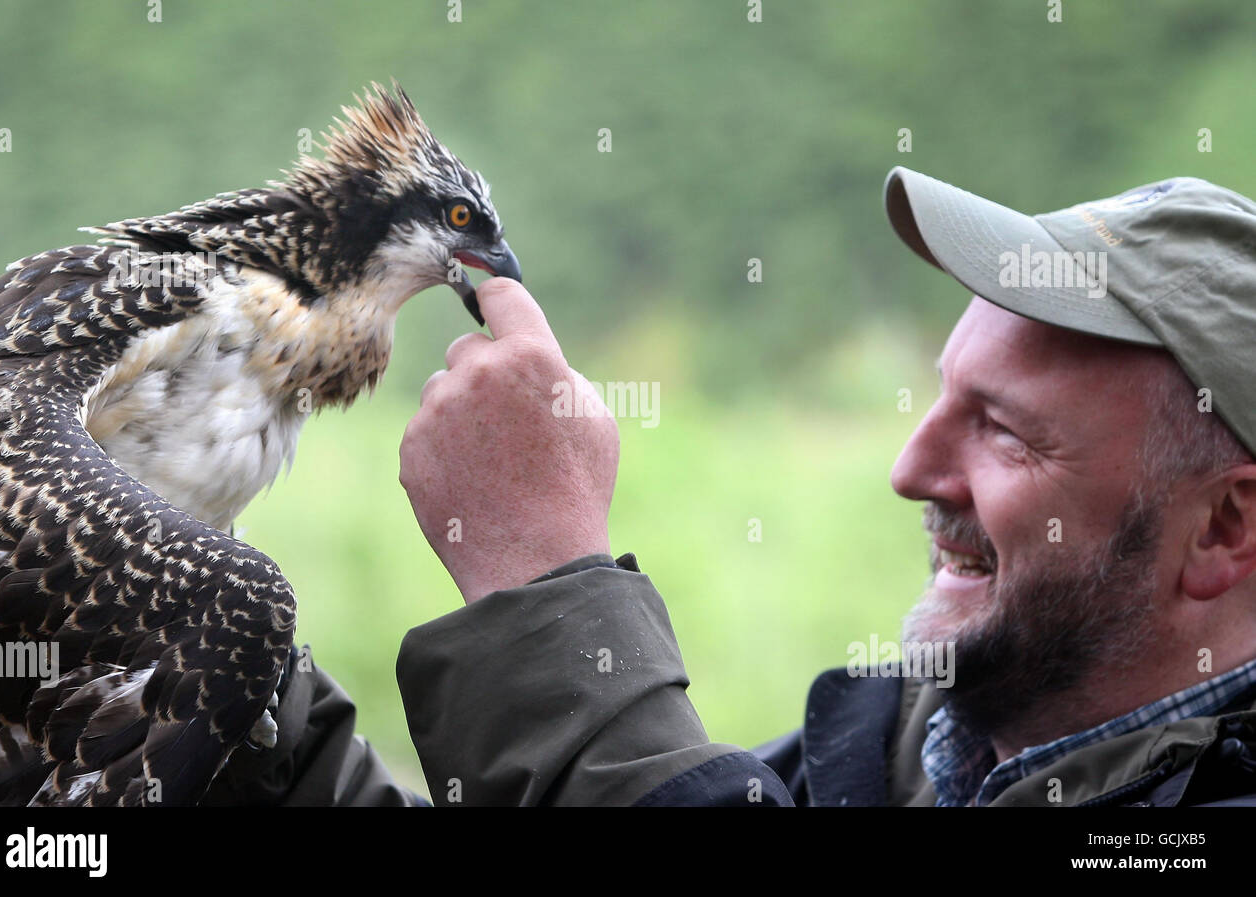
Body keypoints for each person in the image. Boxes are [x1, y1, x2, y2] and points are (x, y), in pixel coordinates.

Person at [206, 167, 1256, 806]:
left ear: (1222, 528)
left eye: (1010, 435)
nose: (910, 472)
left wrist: (544, 576)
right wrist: (226, 682)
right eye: (940, 401)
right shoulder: (904, 759)